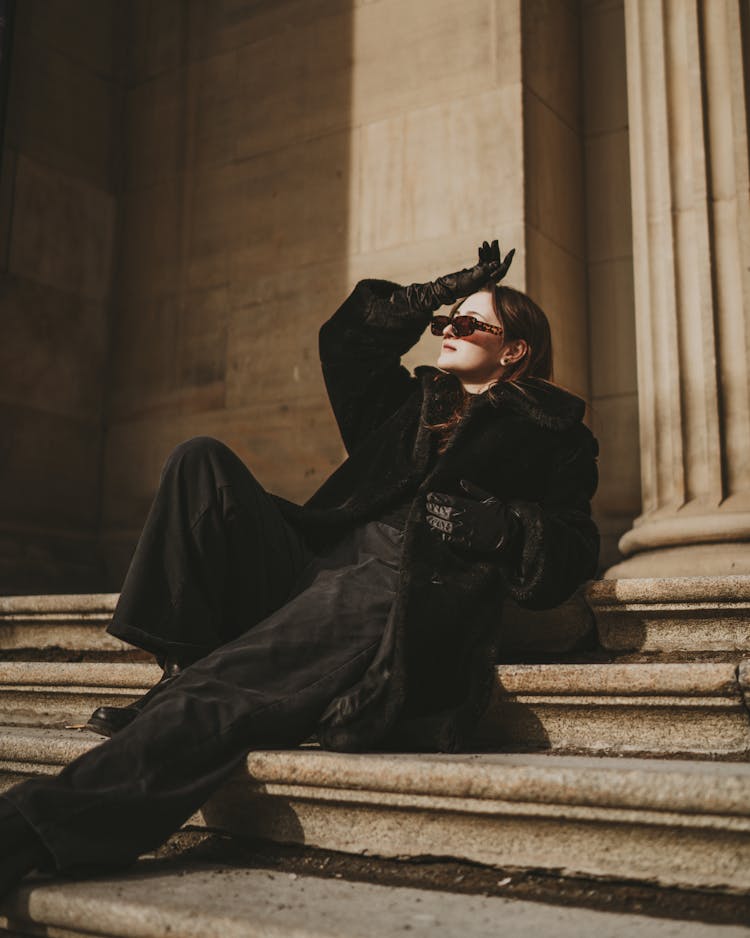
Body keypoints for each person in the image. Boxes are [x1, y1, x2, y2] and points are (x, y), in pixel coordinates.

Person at [0, 241, 599, 897]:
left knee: (221, 695)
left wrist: (501, 528)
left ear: (515, 348)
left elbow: (572, 546)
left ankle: (33, 829)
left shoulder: (554, 431)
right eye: (443, 324)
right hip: (313, 561)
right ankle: (182, 666)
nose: (447, 332)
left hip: (397, 579)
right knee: (202, 462)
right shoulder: (411, 403)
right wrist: (434, 292)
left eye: (466, 322)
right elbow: (346, 345)